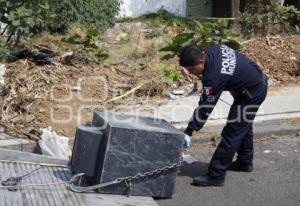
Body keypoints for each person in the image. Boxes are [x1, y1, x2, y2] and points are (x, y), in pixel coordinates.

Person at [180, 44, 268, 186]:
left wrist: (190, 130)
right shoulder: (213, 49)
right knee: (242, 126)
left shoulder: (214, 77)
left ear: (201, 62)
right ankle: (244, 163)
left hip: (253, 91)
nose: (190, 73)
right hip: (249, 84)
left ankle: (216, 175)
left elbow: (206, 106)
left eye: (191, 69)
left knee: (232, 132)